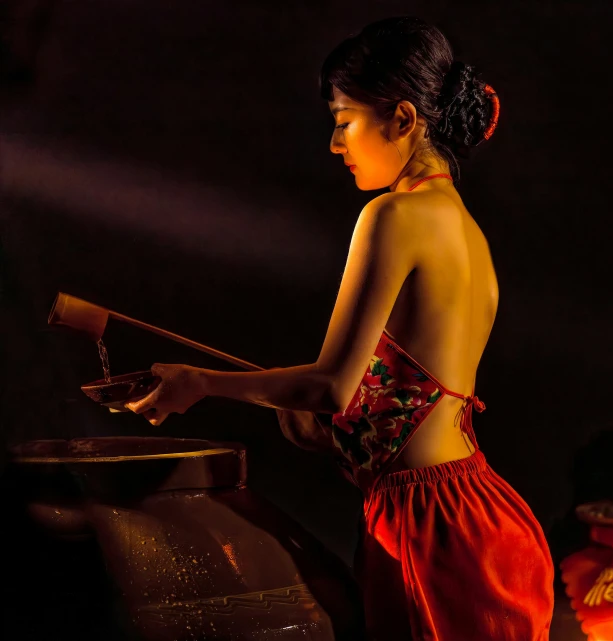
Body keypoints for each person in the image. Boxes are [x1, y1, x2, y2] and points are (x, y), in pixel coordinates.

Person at [127, 16, 554, 640]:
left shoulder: (391, 216)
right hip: (481, 510)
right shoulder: (468, 235)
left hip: (425, 524)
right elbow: (413, 399)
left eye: (345, 120)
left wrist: (199, 383)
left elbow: (330, 386)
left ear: (403, 119)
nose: (336, 143)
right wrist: (338, 435)